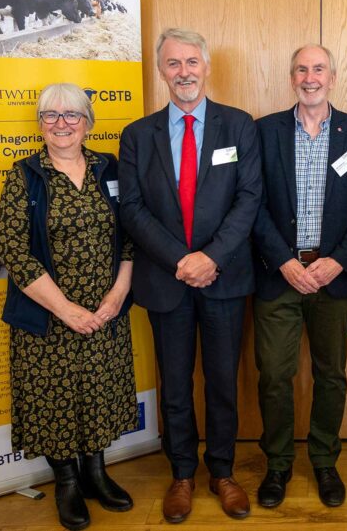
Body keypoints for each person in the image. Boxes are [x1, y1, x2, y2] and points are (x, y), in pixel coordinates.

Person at [117, 28, 261, 524]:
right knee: (175, 384)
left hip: (223, 278)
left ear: (206, 66)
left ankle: (222, 471)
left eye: (192, 61)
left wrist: (210, 257)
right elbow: (132, 209)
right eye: (173, 63)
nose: (184, 72)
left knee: (222, 381)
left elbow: (248, 200)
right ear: (162, 71)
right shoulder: (138, 134)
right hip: (165, 279)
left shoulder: (239, 126)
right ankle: (181, 473)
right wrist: (181, 259)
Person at [0, 82, 136, 531]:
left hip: (105, 311)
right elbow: (14, 250)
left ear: (87, 122)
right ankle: (68, 483)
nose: (61, 124)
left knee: (98, 391)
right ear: (40, 123)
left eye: (71, 115)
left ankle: (96, 472)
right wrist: (66, 309)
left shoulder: (108, 167)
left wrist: (115, 297)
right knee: (54, 400)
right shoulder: (25, 175)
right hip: (48, 315)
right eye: (51, 115)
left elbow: (131, 236)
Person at [251, 44, 347, 508]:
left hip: (335, 278)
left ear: (333, 77)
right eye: (301, 69)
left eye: (318, 68)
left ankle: (325, 461)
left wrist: (338, 261)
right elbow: (254, 203)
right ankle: (278, 465)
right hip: (277, 273)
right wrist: (284, 260)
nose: (310, 77)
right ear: (291, 77)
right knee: (274, 376)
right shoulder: (263, 131)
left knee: (332, 375)